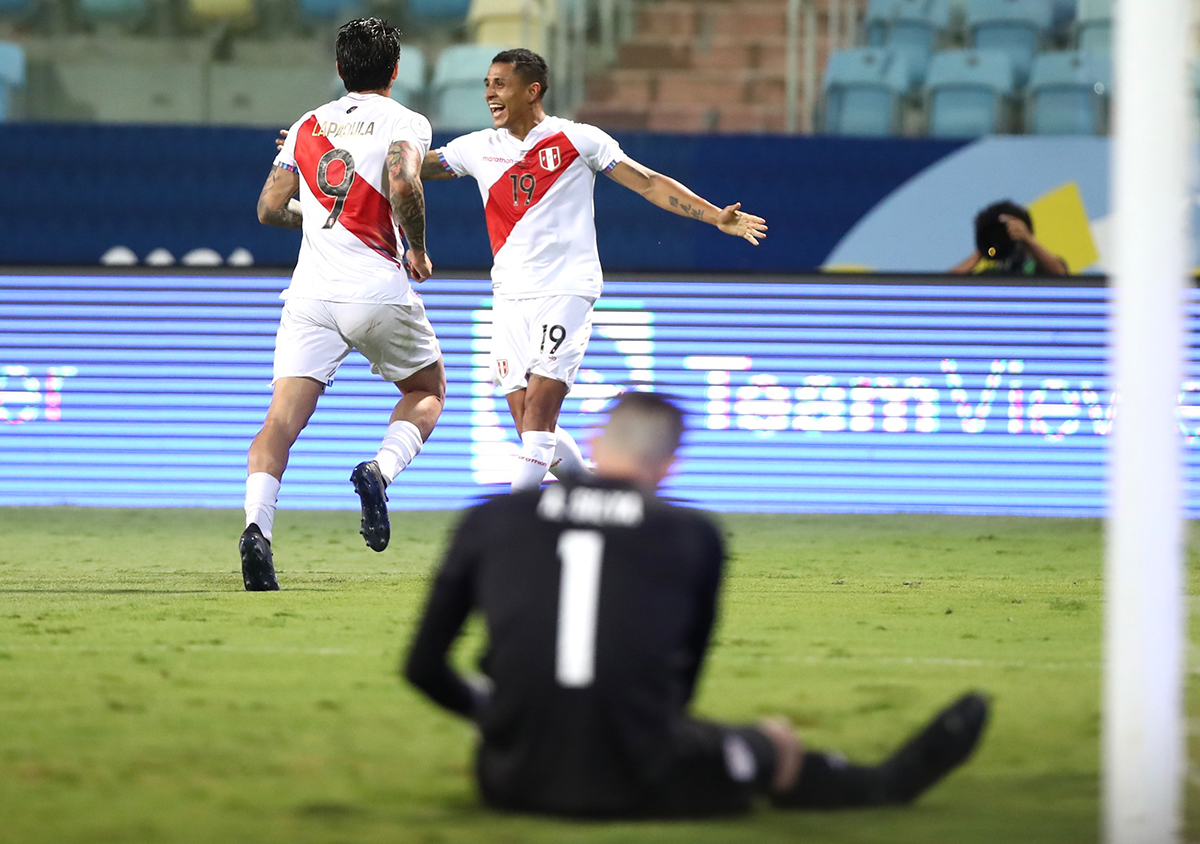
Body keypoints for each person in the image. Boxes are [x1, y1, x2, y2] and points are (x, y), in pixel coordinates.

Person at [404, 391, 989, 818]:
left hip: (510, 780)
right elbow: (678, 693)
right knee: (775, 743)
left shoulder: (491, 519)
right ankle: (882, 784)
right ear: (670, 466)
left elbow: (423, 667)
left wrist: (496, 713)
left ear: (596, 445)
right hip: (647, 779)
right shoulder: (690, 535)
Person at [419, 49, 768, 493]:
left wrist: (714, 215)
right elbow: (413, 169)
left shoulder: (578, 140)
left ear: (532, 91)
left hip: (565, 289)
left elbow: (648, 183)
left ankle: (516, 522)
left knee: (539, 416)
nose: (490, 93)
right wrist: (364, 153)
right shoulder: (477, 148)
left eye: (500, 84)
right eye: (487, 84)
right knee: (528, 425)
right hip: (508, 296)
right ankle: (594, 495)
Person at [242, 17, 446, 591]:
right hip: (376, 291)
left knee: (280, 422)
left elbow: (268, 209)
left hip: (310, 296)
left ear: (338, 68)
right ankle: (380, 470)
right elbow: (403, 183)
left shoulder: (306, 125)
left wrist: (318, 219)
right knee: (427, 390)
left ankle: (256, 529)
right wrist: (418, 249)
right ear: (396, 70)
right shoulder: (406, 121)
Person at [950, 199, 1069, 276]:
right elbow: (946, 286)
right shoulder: (988, 277)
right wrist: (983, 248)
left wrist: (1028, 239)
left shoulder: (1039, 269)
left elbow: (1061, 275)